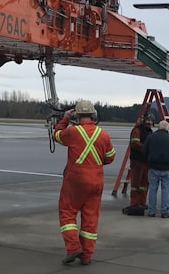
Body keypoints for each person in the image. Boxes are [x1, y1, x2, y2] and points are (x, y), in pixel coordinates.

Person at [53, 100, 116, 266]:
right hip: (96, 181)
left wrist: (64, 119)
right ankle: (86, 255)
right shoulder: (104, 134)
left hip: (75, 181)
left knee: (67, 211)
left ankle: (73, 247)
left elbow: (57, 135)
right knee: (90, 218)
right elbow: (110, 157)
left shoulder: (73, 132)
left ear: (77, 115)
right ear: (94, 115)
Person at [142, 119, 169, 218]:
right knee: (166, 190)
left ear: (158, 127)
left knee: (152, 189)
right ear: (167, 128)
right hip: (166, 168)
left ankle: (151, 211)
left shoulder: (151, 137)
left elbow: (144, 150)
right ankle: (164, 211)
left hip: (153, 167)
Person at [125, 112, 155, 212]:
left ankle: (142, 202)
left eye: (151, 120)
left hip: (146, 160)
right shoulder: (137, 130)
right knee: (136, 183)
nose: (149, 122)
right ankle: (134, 203)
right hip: (137, 161)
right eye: (148, 120)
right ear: (143, 121)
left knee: (144, 184)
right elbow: (135, 143)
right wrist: (147, 148)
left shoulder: (150, 131)